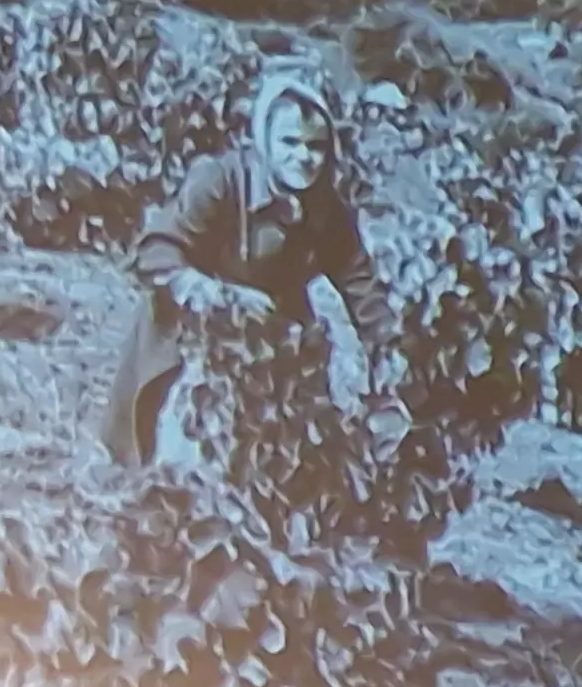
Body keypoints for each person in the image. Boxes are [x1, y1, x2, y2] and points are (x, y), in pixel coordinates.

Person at [104, 69, 389, 467]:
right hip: (191, 332)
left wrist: (389, 347)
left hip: (273, 338)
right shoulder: (219, 179)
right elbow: (155, 250)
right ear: (264, 141)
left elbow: (360, 285)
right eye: (290, 142)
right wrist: (216, 294)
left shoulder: (327, 209)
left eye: (316, 146)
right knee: (180, 457)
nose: (304, 157)